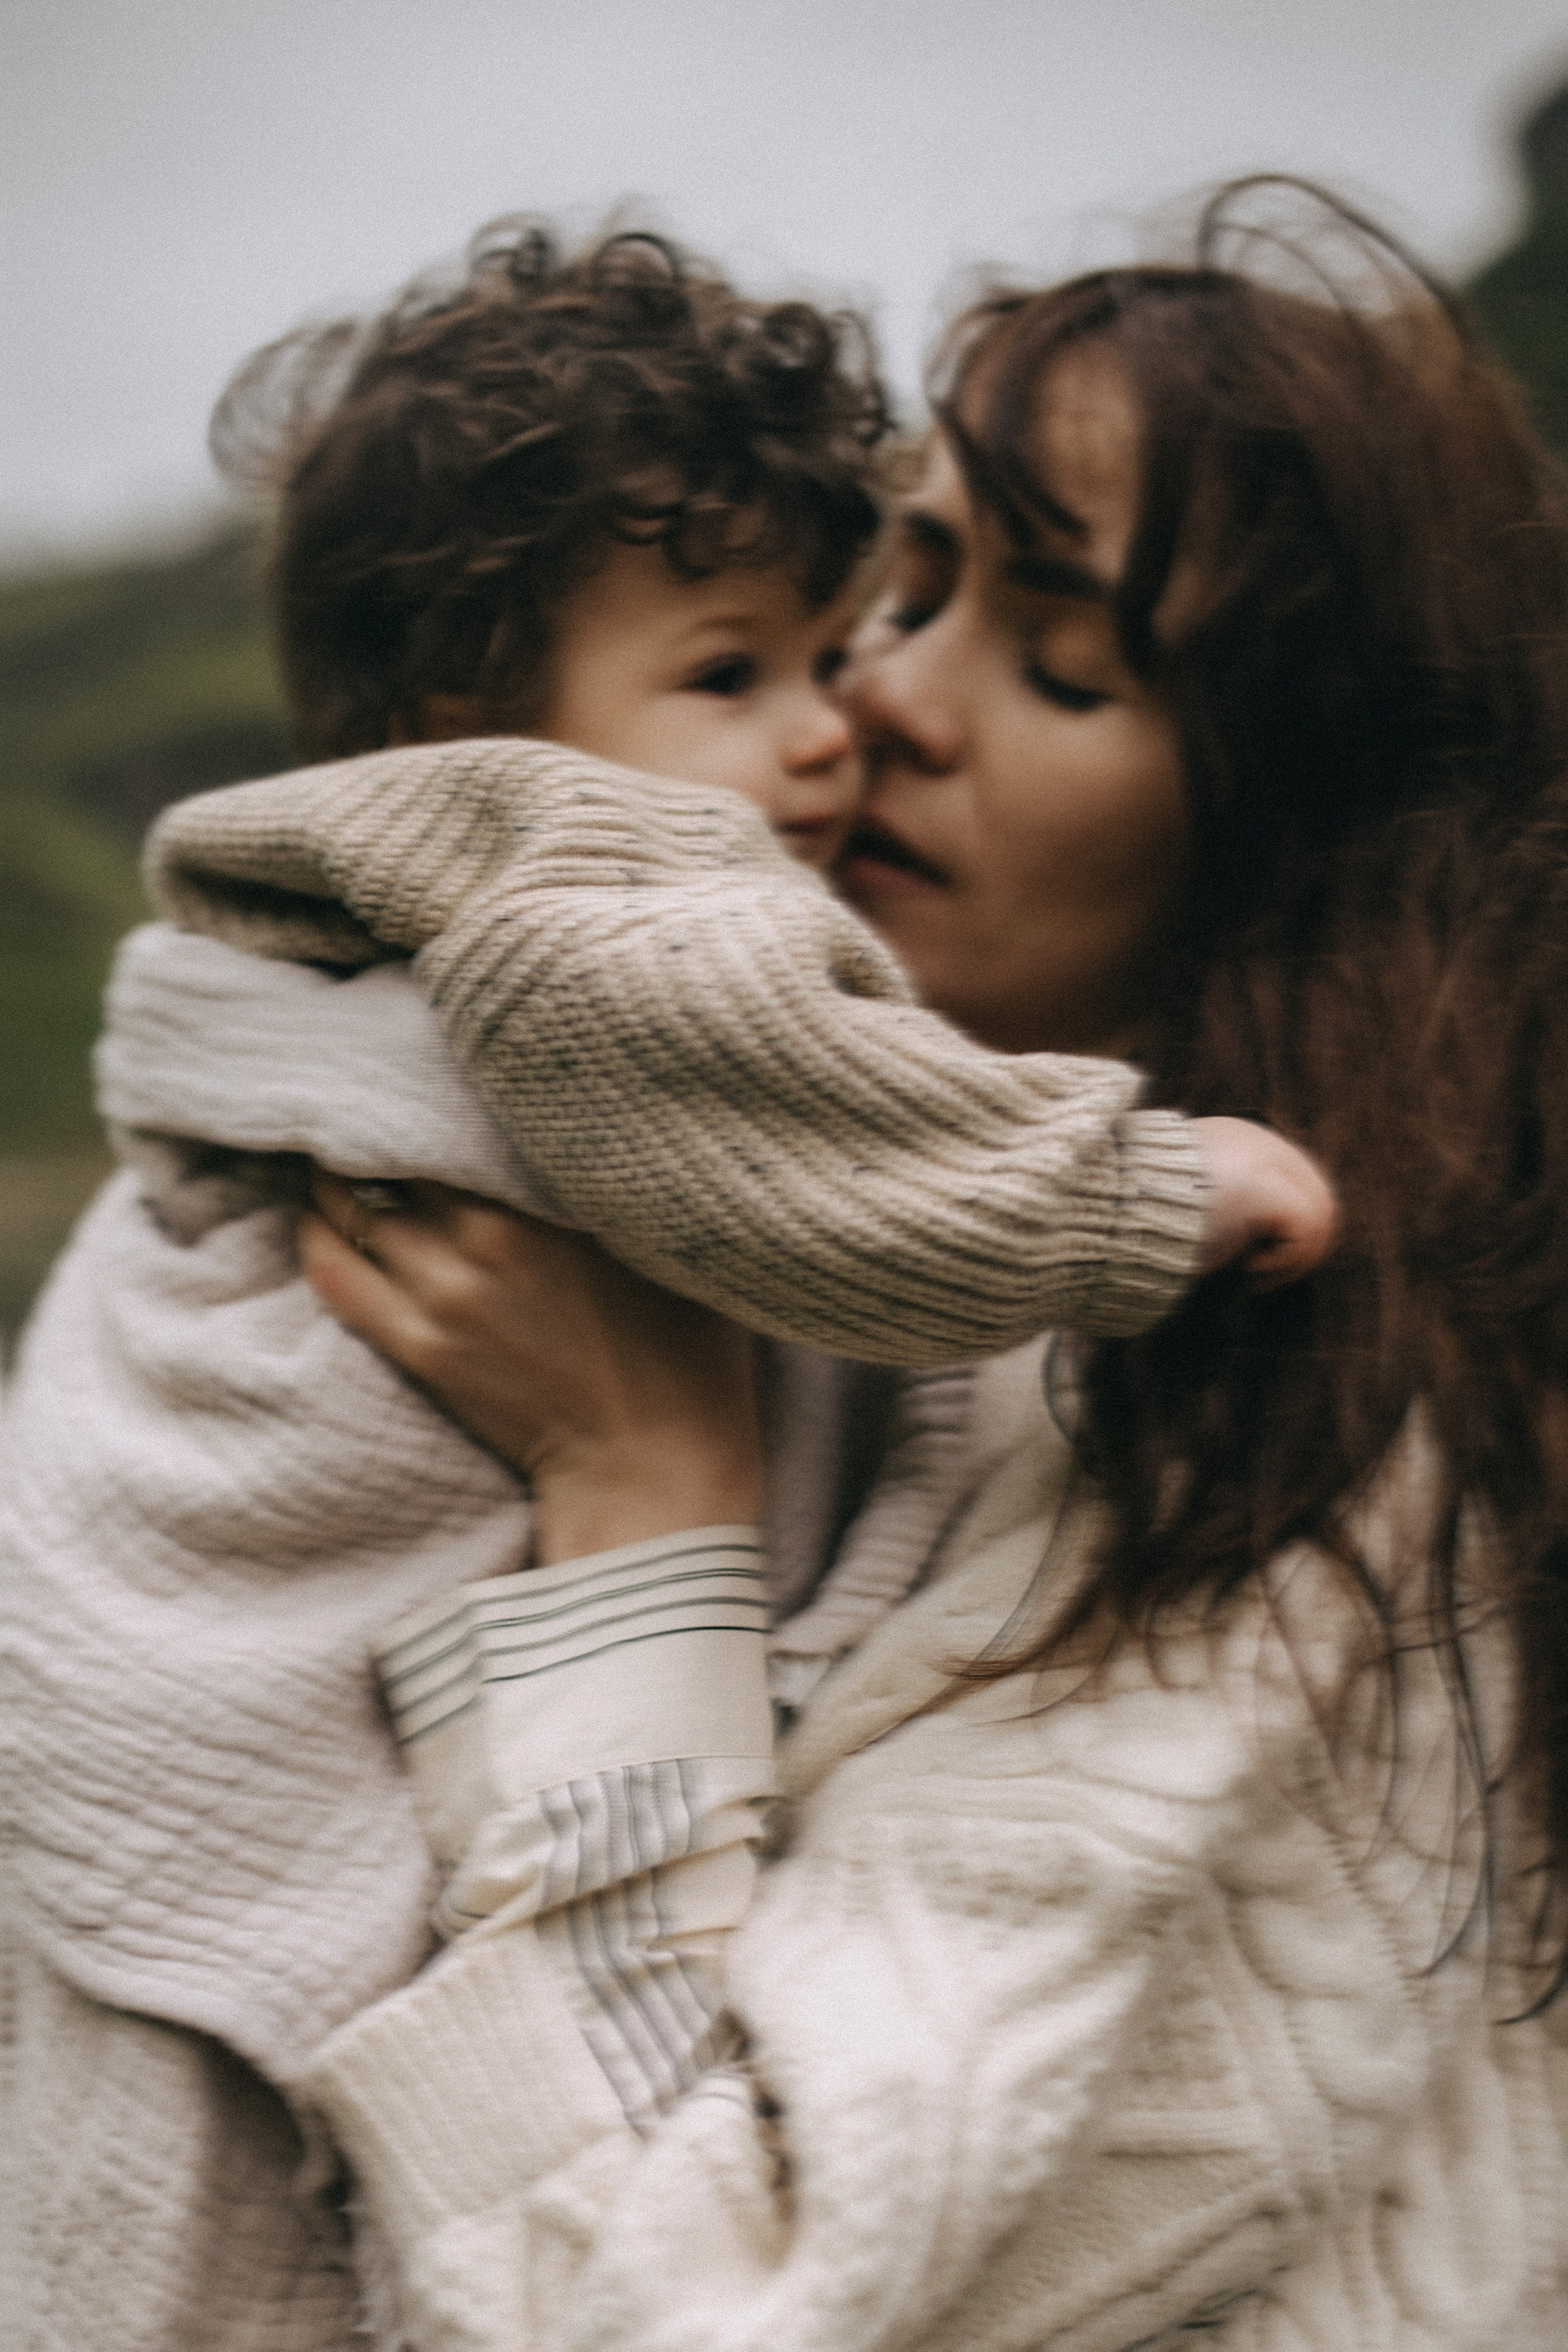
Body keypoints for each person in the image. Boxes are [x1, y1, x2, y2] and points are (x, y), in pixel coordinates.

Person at [3, 217, 1329, 2352]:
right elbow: (809, 1133)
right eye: (738, 675)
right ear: (463, 722)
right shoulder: (585, 906)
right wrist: (1137, 1196)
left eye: (843, 642)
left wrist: (642, 1470)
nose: (850, 724)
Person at [278, 189, 1568, 2348]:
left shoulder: (1296, 1454)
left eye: (1061, 665)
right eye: (909, 584)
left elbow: (681, 2314)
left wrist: (636, 1503)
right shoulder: (872, 1252)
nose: (878, 702)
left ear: (1292, 830)